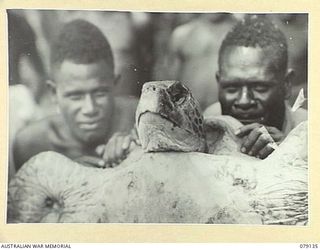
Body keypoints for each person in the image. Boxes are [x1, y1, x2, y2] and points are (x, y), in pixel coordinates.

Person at [12, 19, 138, 171]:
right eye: (75, 96)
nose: (89, 109)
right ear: (53, 92)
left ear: (115, 84)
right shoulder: (30, 144)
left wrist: (138, 152)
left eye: (100, 93)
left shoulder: (140, 121)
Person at [203, 15, 307, 159]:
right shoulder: (210, 123)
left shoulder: (308, 132)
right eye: (232, 88)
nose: (244, 101)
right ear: (219, 82)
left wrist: (289, 153)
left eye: (259, 87)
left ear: (286, 85)